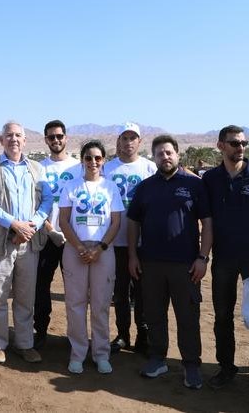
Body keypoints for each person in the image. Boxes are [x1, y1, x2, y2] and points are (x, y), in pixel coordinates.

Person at [128, 134, 212, 389]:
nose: (165, 157)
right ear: (153, 158)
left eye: (169, 152)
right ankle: (157, 358)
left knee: (188, 317)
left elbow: (207, 223)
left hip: (186, 265)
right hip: (150, 263)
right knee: (154, 314)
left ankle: (191, 365)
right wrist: (132, 255)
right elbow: (133, 223)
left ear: (177, 154)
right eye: (159, 154)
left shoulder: (194, 184)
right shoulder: (145, 187)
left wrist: (203, 258)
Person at [202, 125, 249, 396]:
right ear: (221, 146)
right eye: (235, 143)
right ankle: (226, 367)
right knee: (222, 316)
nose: (241, 148)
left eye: (244, 143)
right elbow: (207, 222)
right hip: (223, 259)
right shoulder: (211, 179)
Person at [0, 121, 53, 365]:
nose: (14, 139)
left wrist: (31, 226)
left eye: (18, 135)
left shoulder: (37, 169)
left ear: (25, 140)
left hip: (28, 243)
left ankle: (25, 344)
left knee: (25, 297)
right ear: (1, 140)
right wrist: (13, 224)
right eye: (9, 135)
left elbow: (47, 201)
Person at [58, 140, 122, 374]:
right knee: (75, 304)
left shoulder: (110, 187)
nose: (93, 162)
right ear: (82, 160)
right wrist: (79, 248)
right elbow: (63, 220)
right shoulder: (71, 186)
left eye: (97, 158)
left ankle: (101, 353)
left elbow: (116, 222)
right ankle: (77, 353)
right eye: (88, 158)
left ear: (103, 160)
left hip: (103, 251)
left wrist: (100, 248)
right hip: (75, 250)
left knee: (100, 304)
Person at [104, 121, 156, 354]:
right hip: (115, 241)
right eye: (124, 138)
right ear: (118, 141)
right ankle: (122, 334)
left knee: (144, 292)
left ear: (139, 141)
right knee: (120, 292)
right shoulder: (107, 169)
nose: (128, 142)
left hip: (144, 242)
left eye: (132, 138)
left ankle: (143, 335)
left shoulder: (149, 168)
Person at [34, 119, 82, 349]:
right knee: (41, 287)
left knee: (74, 289)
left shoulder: (79, 167)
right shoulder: (38, 169)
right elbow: (33, 204)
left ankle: (75, 336)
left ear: (66, 138)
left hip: (72, 239)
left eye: (59, 136)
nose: (56, 140)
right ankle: (41, 331)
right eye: (51, 137)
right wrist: (50, 229)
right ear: (46, 140)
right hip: (46, 237)